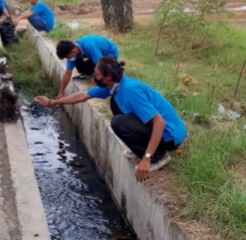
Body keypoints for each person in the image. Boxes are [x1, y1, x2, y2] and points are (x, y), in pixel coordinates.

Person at [35, 57, 187, 181]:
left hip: (169, 136)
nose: (94, 77)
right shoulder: (112, 86)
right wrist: (51, 102)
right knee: (115, 105)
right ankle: (143, 149)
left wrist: (146, 158)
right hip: (159, 131)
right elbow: (82, 96)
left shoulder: (130, 90)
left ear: (108, 77)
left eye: (97, 74)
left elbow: (159, 122)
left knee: (118, 122)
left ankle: (158, 156)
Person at [55, 35, 119, 98]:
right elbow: (68, 73)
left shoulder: (89, 46)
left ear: (73, 52)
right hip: (98, 56)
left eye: (68, 57)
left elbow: (101, 66)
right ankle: (91, 74)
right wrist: (61, 91)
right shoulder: (72, 53)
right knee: (81, 68)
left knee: (102, 69)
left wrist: (93, 85)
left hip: (110, 54)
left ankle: (97, 76)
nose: (69, 59)